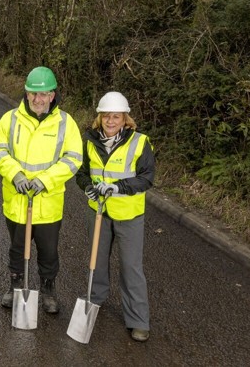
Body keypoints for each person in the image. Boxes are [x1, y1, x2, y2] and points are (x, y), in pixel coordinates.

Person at [0, 66, 83, 314]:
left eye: (44, 95)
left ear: (52, 96)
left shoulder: (66, 123)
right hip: (17, 201)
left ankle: (48, 290)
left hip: (48, 203)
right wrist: (15, 174)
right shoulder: (10, 119)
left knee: (48, 253)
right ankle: (16, 287)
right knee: (17, 249)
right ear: (26, 94)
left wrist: (46, 180)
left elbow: (73, 158)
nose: (38, 100)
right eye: (33, 94)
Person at [75, 91, 155, 342]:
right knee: (96, 263)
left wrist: (118, 188)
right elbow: (81, 172)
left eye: (116, 116)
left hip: (128, 214)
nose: (111, 121)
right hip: (98, 211)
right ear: (100, 118)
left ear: (125, 119)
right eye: (106, 116)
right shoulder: (88, 141)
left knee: (131, 267)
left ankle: (138, 320)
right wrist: (87, 186)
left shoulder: (141, 142)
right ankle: (95, 302)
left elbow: (146, 178)